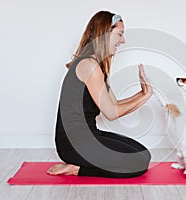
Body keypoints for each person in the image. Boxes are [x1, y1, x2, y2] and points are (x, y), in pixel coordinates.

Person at [47, 11, 153, 178]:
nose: (123, 40)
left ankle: (79, 164)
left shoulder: (97, 65)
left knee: (144, 154)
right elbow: (111, 113)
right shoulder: (88, 65)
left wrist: (143, 93)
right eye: (119, 34)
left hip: (89, 136)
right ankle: (77, 169)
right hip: (74, 144)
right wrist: (146, 97)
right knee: (137, 164)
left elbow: (114, 104)